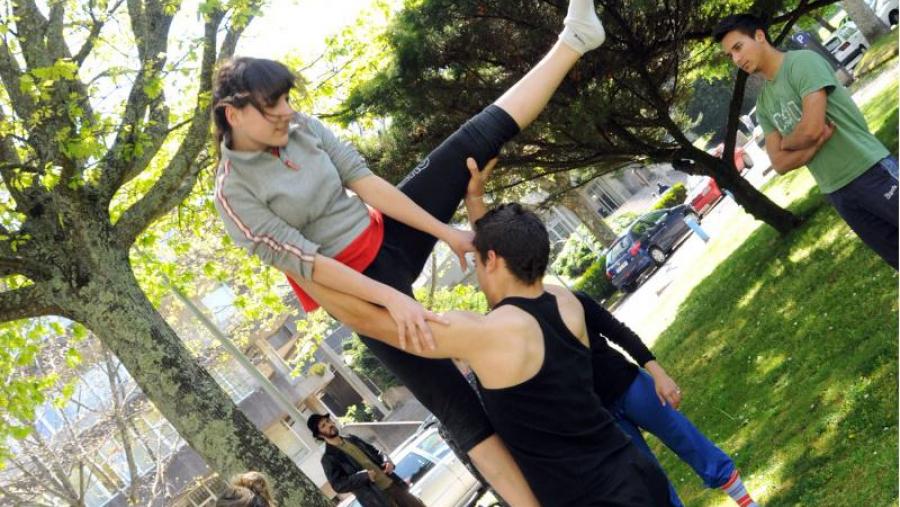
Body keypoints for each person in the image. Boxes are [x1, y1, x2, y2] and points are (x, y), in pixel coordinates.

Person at [212, 1, 606, 503]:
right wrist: (395, 300)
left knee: (468, 145)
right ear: (234, 113)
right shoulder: (233, 195)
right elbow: (311, 264)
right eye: (273, 105)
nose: (287, 110)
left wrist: (445, 230)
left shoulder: (301, 127)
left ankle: (574, 38)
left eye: (287, 98)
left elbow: (365, 182)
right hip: (354, 290)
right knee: (454, 402)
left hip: (385, 234)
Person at [302, 200, 673, 506]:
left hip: (596, 498)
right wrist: (476, 199)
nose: (476, 269)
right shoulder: (564, 302)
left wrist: (298, 267)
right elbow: (508, 265)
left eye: (478, 260)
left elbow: (370, 322)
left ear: (492, 259)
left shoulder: (483, 334)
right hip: (635, 469)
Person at [713, 14, 898, 269]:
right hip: (836, 192)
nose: (736, 59)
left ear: (759, 35)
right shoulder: (764, 105)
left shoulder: (802, 64)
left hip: (870, 170)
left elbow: (811, 129)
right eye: (729, 55)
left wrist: (790, 142)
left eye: (737, 47)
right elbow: (779, 163)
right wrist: (810, 141)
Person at [576, 292, 760, 507]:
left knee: (690, 441)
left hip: (630, 386)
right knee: (648, 483)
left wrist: (659, 375)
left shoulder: (573, 300)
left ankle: (747, 503)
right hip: (601, 416)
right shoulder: (530, 331)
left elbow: (620, 333)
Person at [307, 413, 426, 507]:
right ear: (319, 435)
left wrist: (387, 461)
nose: (329, 425)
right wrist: (363, 476)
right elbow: (338, 485)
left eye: (327, 421)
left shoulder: (352, 439)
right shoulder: (328, 458)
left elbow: (377, 452)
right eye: (323, 426)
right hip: (377, 499)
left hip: (394, 485)